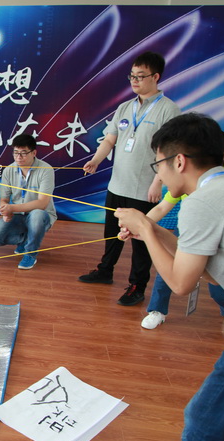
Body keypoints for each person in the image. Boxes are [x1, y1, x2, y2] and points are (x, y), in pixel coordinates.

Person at [115, 113, 224, 441]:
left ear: (178, 161)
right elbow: (211, 271)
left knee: (205, 414)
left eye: (158, 165)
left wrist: (146, 230)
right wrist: (155, 231)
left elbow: (181, 284)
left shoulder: (202, 202)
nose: (160, 176)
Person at [79, 51, 180, 306]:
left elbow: (170, 151)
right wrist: (96, 160)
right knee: (112, 233)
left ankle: (137, 285)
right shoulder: (125, 107)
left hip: (145, 188)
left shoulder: (169, 110)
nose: (134, 81)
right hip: (118, 185)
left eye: (140, 76)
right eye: (132, 76)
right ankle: (105, 271)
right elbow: (110, 139)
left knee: (141, 241)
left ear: (156, 77)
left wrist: (157, 182)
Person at [140, 133, 224, 331]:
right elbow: (162, 207)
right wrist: (141, 224)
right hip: (187, 230)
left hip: (220, 238)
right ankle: (157, 310)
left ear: (222, 156)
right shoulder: (187, 178)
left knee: (217, 281)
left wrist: (144, 228)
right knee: (167, 271)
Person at [0, 134, 56, 269]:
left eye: (23, 153)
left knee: (37, 214)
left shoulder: (46, 170)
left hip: (41, 215)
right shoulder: (9, 170)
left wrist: (12, 208)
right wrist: (4, 210)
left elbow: (42, 203)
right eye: (15, 152)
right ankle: (25, 241)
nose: (18, 157)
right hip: (18, 215)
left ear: (34, 153)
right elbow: (4, 199)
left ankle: (30, 254)